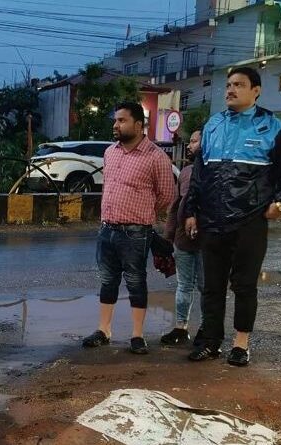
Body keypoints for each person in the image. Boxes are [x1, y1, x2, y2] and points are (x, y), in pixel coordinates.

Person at [184, 66, 281, 366]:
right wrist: (191, 212)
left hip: (250, 221)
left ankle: (240, 344)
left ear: (256, 90)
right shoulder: (213, 125)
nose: (230, 89)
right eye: (228, 84)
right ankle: (211, 341)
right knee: (211, 286)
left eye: (238, 84)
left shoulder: (273, 127)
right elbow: (199, 174)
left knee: (245, 285)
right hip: (212, 221)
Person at [82, 101, 176, 354]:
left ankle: (137, 335)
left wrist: (142, 211)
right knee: (107, 280)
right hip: (107, 228)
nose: (116, 125)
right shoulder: (110, 152)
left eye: (122, 120)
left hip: (136, 231)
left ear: (138, 125)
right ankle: (104, 330)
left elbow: (167, 194)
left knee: (135, 281)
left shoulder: (156, 157)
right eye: (115, 120)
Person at [161, 130, 204, 346]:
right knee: (186, 285)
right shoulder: (186, 171)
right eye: (190, 141)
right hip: (184, 239)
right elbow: (175, 206)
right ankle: (182, 327)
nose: (189, 145)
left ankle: (204, 329)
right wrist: (169, 236)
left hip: (207, 240)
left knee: (204, 286)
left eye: (194, 141)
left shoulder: (215, 171)